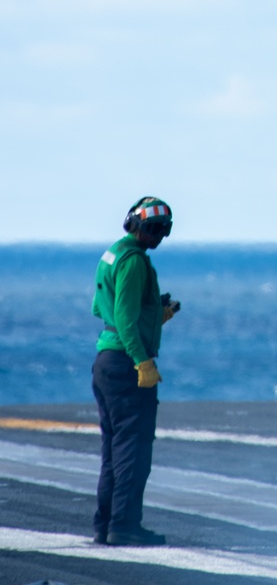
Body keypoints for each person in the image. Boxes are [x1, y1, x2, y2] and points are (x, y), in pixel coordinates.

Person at [91, 196, 180, 547]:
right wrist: (142, 361)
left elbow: (103, 307)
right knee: (133, 447)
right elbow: (125, 318)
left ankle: (106, 523)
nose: (157, 235)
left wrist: (156, 315)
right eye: (153, 228)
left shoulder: (113, 253)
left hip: (107, 361)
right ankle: (124, 524)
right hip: (126, 364)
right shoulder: (135, 261)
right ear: (137, 225)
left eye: (162, 230)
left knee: (114, 447)